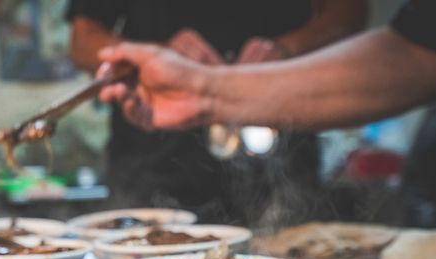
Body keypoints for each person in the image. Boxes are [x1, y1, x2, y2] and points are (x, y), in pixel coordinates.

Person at [67, 1, 368, 225]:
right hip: (152, 141)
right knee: (145, 252)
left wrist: (286, 49)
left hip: (282, 131)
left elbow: (349, 14)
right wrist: (157, 53)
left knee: (292, 251)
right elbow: (83, 41)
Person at [97, 0, 436, 132]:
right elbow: (421, 49)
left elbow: (420, 50)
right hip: (157, 136)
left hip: (289, 128)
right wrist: (201, 89)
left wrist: (288, 46)